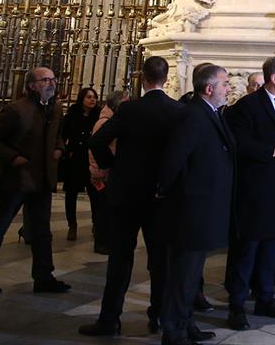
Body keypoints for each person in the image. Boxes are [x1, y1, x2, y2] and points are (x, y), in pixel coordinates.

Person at [79, 57, 185, 338]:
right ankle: (159, 316)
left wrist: (111, 166)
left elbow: (97, 141)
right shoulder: (178, 111)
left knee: (120, 258)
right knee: (160, 260)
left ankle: (109, 320)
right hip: (161, 195)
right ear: (166, 77)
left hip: (127, 194)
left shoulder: (129, 110)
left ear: (143, 79)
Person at [0, 66, 70, 295]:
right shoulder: (16, 110)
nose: (51, 83)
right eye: (45, 80)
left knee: (42, 230)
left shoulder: (54, 109)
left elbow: (58, 136)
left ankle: (44, 276)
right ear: (31, 85)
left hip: (42, 178)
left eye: (53, 79)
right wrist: (13, 157)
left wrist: (59, 148)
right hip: (17, 179)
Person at [156, 62, 235, 345]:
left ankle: (187, 322)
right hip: (191, 209)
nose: (229, 88)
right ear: (210, 88)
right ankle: (173, 329)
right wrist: (167, 192)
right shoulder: (194, 115)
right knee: (183, 274)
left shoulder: (211, 112)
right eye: (225, 84)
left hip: (204, 207)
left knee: (192, 274)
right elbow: (174, 160)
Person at [224, 57, 275, 330]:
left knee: (272, 249)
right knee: (247, 251)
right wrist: (274, 151)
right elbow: (239, 144)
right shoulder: (246, 106)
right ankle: (236, 305)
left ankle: (266, 298)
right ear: (274, 78)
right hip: (255, 192)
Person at [87, 88, 129, 256]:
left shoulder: (112, 119)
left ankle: (106, 240)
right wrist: (100, 170)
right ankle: (102, 242)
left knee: (108, 209)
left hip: (108, 172)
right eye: (126, 102)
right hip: (102, 173)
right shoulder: (105, 122)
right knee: (102, 210)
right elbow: (94, 148)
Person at [60, 86, 101, 243]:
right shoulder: (72, 114)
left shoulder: (98, 115)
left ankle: (96, 224)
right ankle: (72, 224)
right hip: (75, 158)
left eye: (94, 97)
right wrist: (67, 151)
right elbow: (64, 134)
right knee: (71, 194)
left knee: (94, 195)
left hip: (91, 159)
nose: (92, 100)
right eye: (89, 97)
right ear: (82, 98)